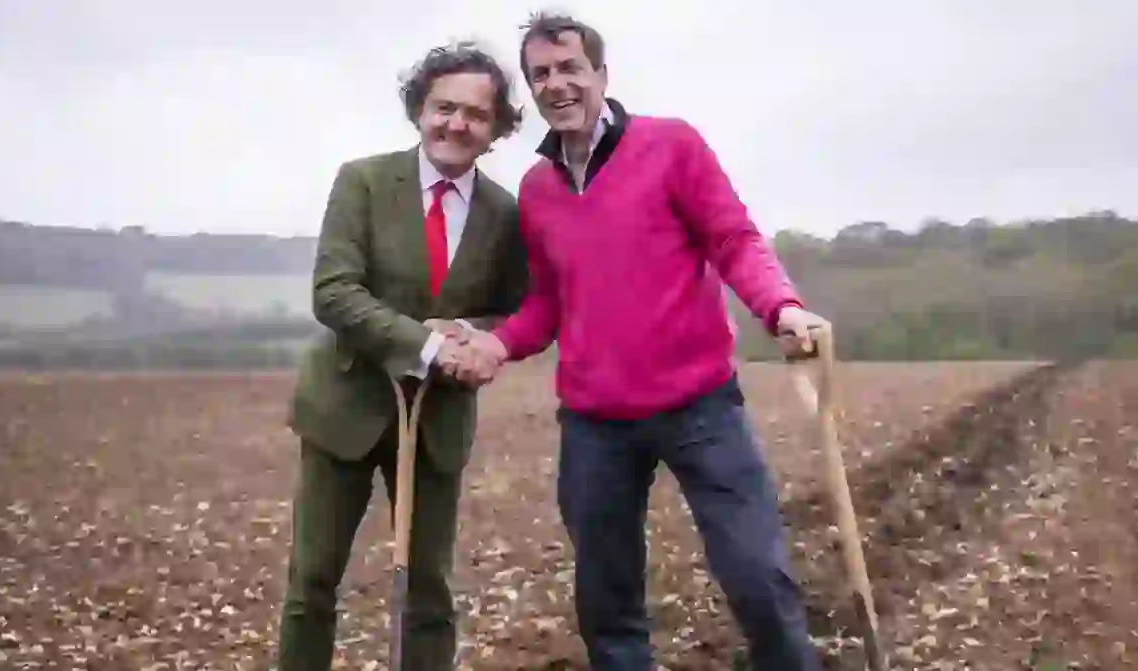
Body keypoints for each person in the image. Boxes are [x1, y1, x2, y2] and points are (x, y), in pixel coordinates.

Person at [462, 11, 828, 671]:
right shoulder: (537, 190)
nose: (557, 84)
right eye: (541, 74)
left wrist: (783, 306)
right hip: (595, 426)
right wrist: (496, 344)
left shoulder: (672, 146)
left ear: (601, 74)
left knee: (757, 579)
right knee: (608, 606)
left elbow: (733, 238)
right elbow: (546, 302)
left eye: (570, 67)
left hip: (701, 408)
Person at [278, 41, 527, 671]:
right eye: (444, 107)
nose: (456, 124)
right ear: (420, 109)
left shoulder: (505, 213)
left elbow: (514, 311)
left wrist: (473, 335)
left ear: (495, 128)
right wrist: (427, 345)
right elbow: (334, 293)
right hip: (346, 410)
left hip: (438, 423)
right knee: (313, 582)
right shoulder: (362, 181)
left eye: (475, 114)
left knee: (429, 590)